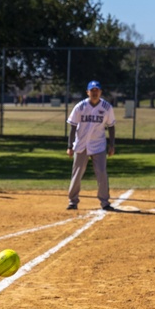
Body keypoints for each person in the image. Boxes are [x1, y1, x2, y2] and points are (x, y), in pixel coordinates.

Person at [66, 80, 116, 211]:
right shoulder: (80, 107)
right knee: (77, 173)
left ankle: (105, 202)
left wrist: (112, 145)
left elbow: (111, 126)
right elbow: (73, 127)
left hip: (98, 145)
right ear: (87, 92)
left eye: (97, 90)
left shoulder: (106, 107)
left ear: (101, 92)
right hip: (81, 145)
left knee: (101, 173)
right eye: (92, 90)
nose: (95, 93)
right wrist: (70, 146)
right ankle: (73, 201)